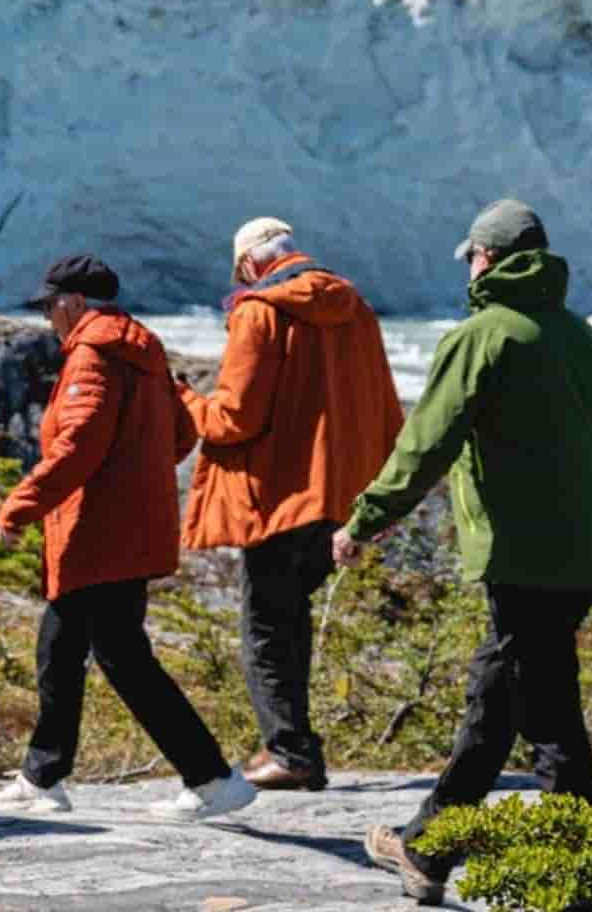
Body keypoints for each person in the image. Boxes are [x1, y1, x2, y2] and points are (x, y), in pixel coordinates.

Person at [337, 200, 592, 908]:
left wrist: (365, 520)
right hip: (582, 557)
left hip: (518, 553)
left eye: (471, 258)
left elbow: (427, 442)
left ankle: (581, 872)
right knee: (508, 693)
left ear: (487, 258)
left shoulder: (481, 337)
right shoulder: (585, 341)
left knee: (541, 711)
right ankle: (430, 848)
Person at [0, 255, 256, 822]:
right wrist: (137, 475)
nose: (48, 318)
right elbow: (180, 433)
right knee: (108, 656)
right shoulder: (145, 350)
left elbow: (78, 445)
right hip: (128, 529)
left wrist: (20, 505)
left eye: (50, 306)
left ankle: (54, 778)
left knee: (72, 654)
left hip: (96, 532)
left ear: (76, 303)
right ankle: (199, 777)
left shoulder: (93, 355)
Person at [177, 218, 403, 791]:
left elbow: (234, 418)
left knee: (268, 627)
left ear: (250, 265)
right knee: (292, 620)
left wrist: (181, 401)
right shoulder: (357, 310)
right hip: (340, 503)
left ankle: (289, 752)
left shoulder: (260, 312)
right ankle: (298, 748)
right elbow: (385, 412)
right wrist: (379, 502)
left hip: (278, 499)